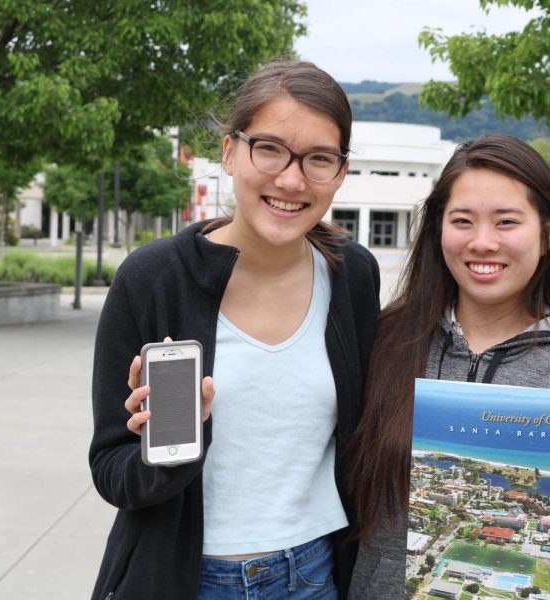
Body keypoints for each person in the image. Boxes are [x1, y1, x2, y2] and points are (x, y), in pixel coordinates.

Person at [88, 60, 380, 600]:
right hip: (182, 579)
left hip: (314, 576)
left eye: (320, 159)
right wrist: (171, 447)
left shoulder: (352, 275)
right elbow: (111, 470)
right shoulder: (152, 279)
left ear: (340, 173)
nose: (292, 179)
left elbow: (364, 437)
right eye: (268, 148)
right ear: (229, 151)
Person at [347, 135, 550, 599]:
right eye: (462, 221)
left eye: (507, 222)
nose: (482, 242)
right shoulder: (386, 342)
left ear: (549, 234)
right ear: (437, 229)